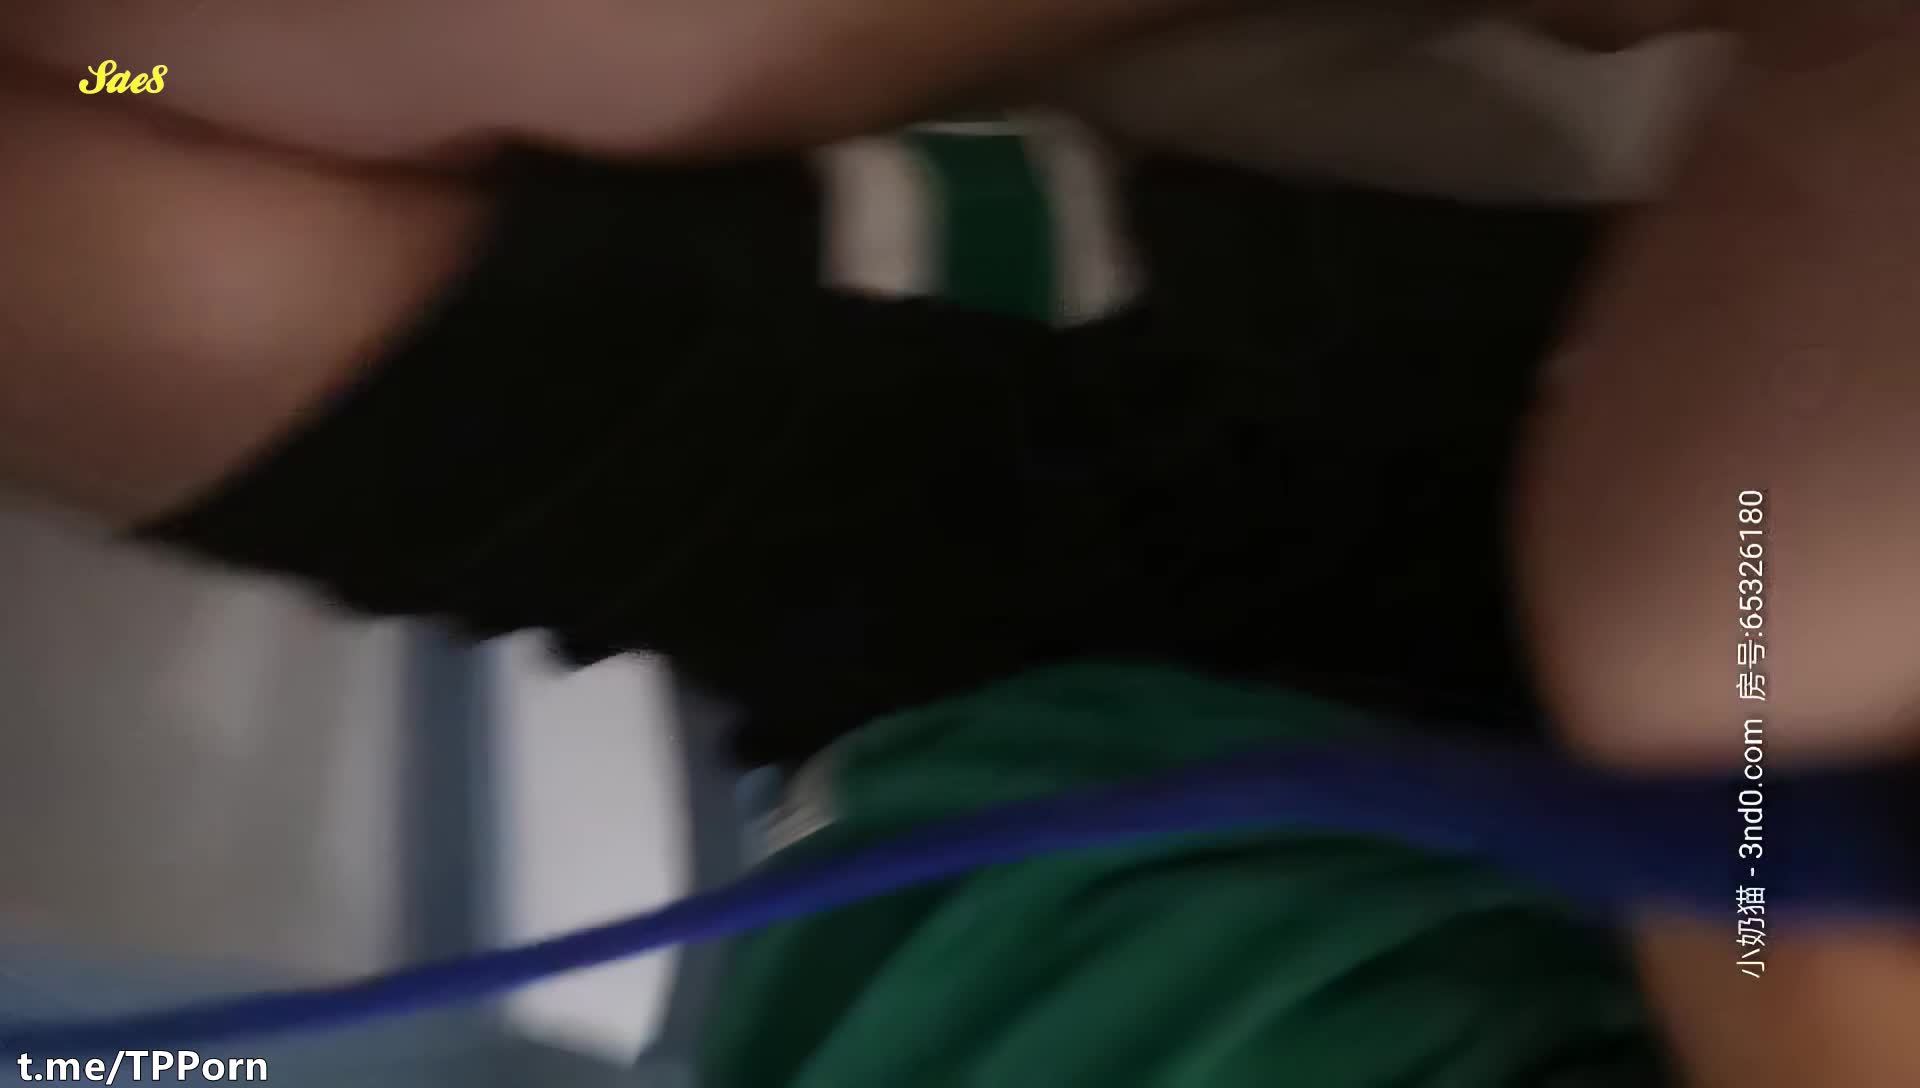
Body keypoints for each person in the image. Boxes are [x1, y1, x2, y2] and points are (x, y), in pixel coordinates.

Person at [3, 2, 1919, 1084]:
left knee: (111, 186)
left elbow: (1733, 665)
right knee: (160, 65)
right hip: (1584, 627)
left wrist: (1752, 834)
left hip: (1555, 781)